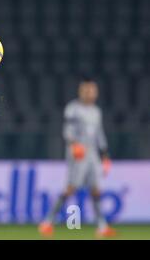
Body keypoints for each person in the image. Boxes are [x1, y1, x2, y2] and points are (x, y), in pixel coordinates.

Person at [39, 77, 116, 238]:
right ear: (81, 91)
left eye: (92, 90)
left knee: (96, 189)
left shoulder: (96, 111)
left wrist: (105, 155)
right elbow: (67, 130)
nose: (90, 93)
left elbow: (99, 134)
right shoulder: (73, 108)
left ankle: (102, 227)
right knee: (70, 188)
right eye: (87, 90)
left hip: (93, 154)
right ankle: (47, 222)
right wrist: (74, 145)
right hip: (78, 152)